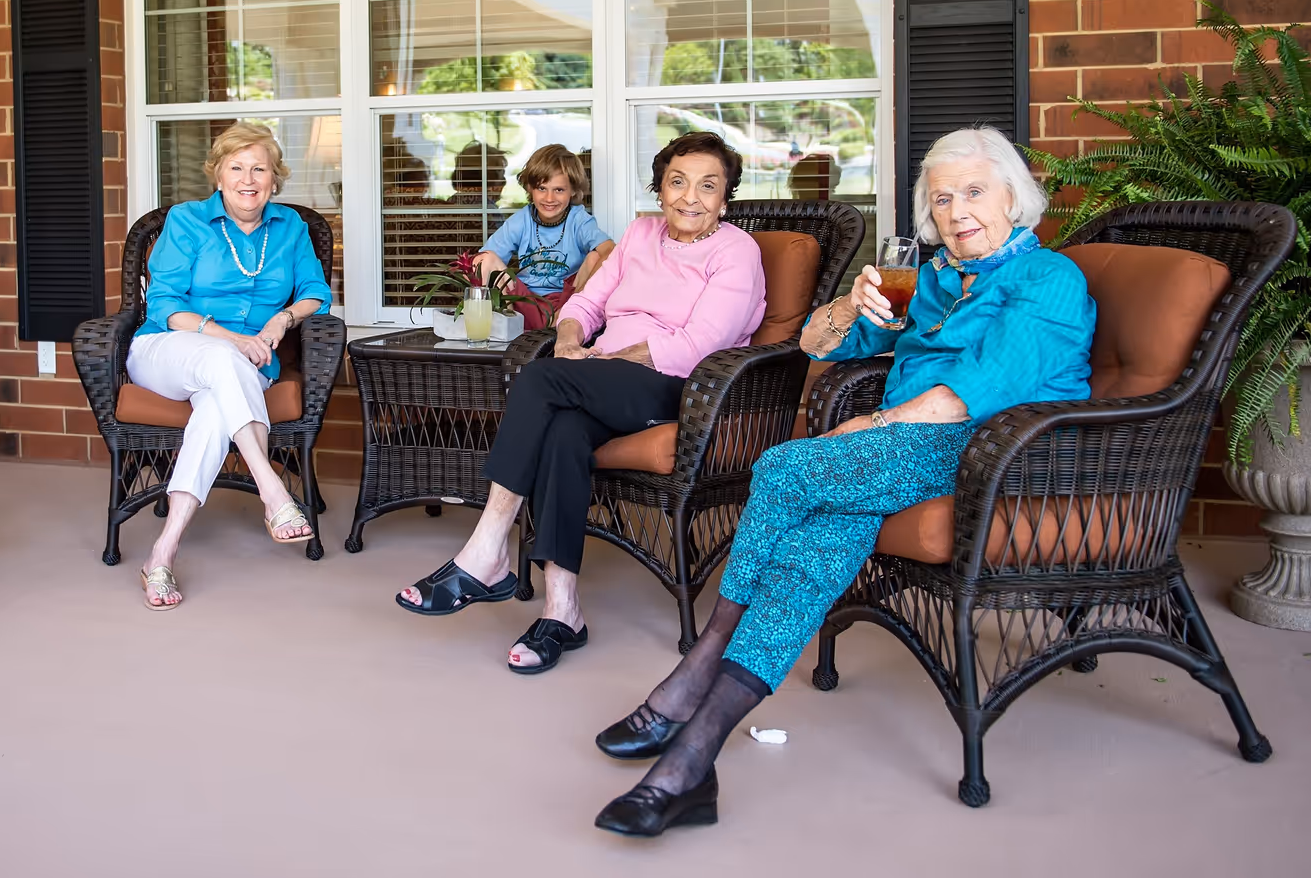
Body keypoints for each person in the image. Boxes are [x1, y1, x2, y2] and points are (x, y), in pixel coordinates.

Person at [590, 126, 1096, 836]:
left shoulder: (1049, 279)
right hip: (914, 448)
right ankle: (692, 763)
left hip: (992, 451)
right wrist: (850, 306)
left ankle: (697, 670)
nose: (955, 212)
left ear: (1016, 197)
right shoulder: (936, 280)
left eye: (974, 193)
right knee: (819, 543)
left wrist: (879, 422)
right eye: (942, 198)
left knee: (783, 466)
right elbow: (816, 345)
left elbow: (979, 390)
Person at [396, 132, 767, 675]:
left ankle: (488, 548)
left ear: (725, 199)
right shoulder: (640, 234)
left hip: (676, 387)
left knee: (543, 381)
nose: (691, 197)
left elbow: (698, 346)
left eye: (708, 187)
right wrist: (570, 340)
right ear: (660, 191)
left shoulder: (737, 251)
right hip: (602, 381)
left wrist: (592, 363)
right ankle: (562, 609)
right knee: (564, 429)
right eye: (678, 183)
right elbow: (587, 302)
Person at [127, 122, 333, 610]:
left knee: (215, 413)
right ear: (217, 176)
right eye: (236, 167)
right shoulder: (187, 220)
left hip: (245, 364)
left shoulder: (291, 228)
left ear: (274, 179)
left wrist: (282, 319)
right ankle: (273, 490)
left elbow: (316, 293)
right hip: (169, 349)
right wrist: (232, 339)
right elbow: (163, 306)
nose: (248, 178)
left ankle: (161, 552)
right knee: (224, 360)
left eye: (259, 168)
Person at [473, 144, 614, 329]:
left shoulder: (578, 219)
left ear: (572, 190)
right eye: (542, 188)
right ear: (530, 188)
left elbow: (610, 250)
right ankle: (504, 321)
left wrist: (577, 299)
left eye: (559, 190)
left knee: (596, 256)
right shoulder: (523, 219)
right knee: (484, 260)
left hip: (564, 303)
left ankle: (571, 315)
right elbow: (484, 261)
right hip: (525, 301)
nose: (549, 198)